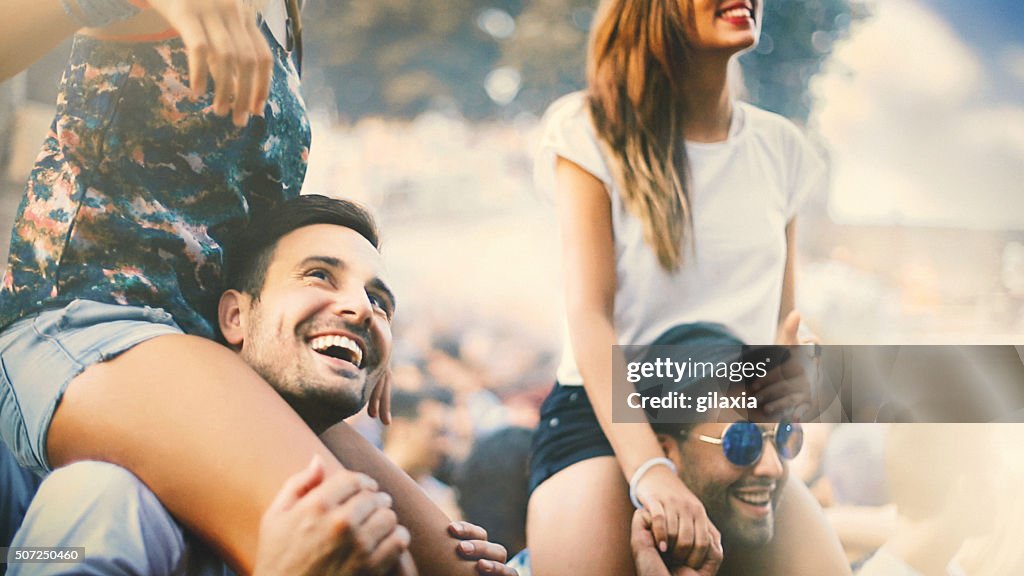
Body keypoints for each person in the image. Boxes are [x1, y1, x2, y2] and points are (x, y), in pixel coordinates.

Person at [0, 2, 504, 573]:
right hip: (86, 327)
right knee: (360, 552)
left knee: (458, 565)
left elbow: (251, 237)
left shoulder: (290, 19)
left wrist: (356, 316)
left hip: (217, 358)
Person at [5, 195, 515, 575]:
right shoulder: (102, 499)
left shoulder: (378, 507)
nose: (362, 309)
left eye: (380, 302)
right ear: (234, 317)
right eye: (318, 274)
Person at [525, 0, 845, 574]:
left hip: (735, 425)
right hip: (605, 416)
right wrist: (652, 470)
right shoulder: (588, 128)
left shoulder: (783, 147)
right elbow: (590, 315)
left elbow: (781, 320)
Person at [383, 389, 462, 521]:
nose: (445, 446)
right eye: (436, 433)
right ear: (401, 430)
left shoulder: (442, 497)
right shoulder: (361, 482)